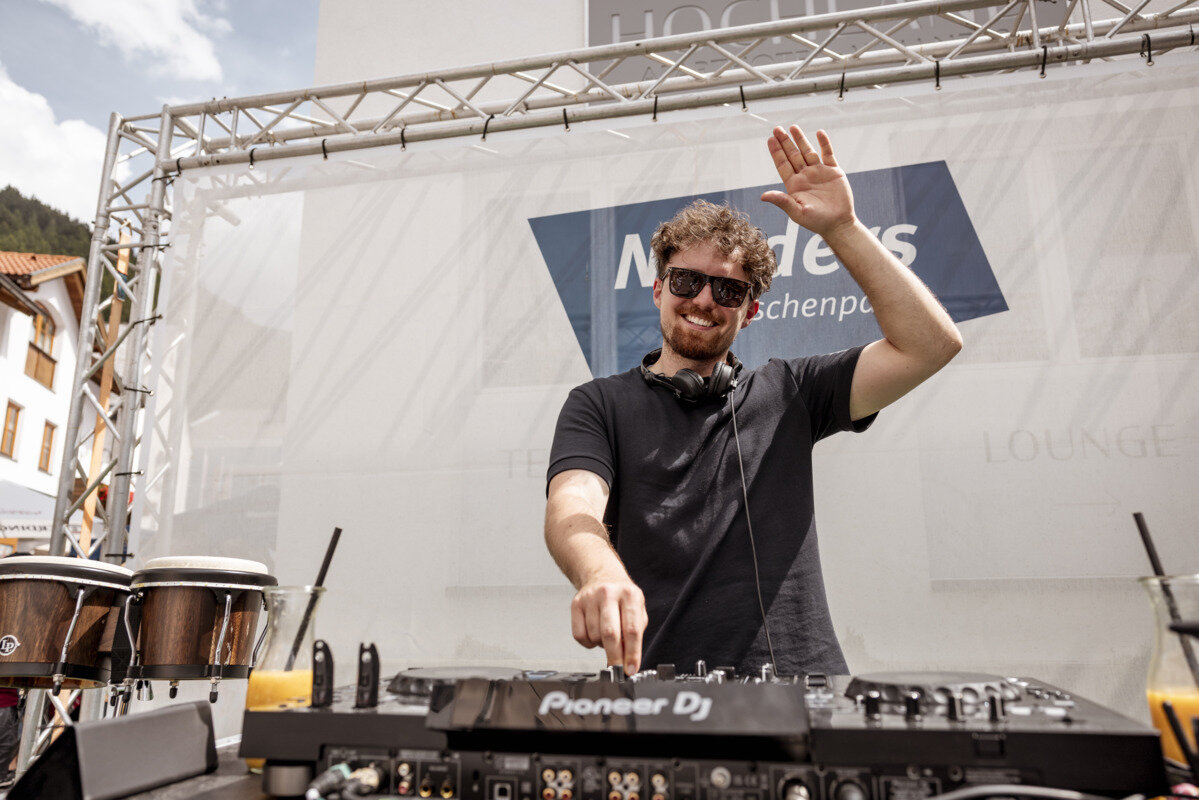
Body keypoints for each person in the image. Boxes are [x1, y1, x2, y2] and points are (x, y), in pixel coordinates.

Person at [544, 125, 963, 677]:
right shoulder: (598, 404)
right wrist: (600, 572)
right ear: (658, 289)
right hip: (664, 690)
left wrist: (843, 228)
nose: (703, 300)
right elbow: (572, 505)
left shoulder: (793, 391)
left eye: (728, 290)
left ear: (750, 312)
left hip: (802, 687)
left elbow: (930, 346)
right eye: (686, 281)